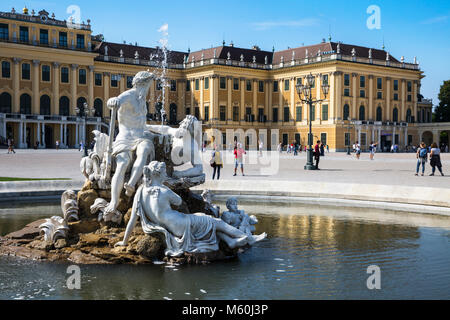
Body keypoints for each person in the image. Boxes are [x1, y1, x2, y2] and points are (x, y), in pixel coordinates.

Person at [115, 161, 266, 254]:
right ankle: (248, 238)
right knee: (215, 221)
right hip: (181, 224)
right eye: (163, 174)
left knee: (210, 224)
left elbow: (132, 220)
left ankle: (231, 241)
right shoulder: (164, 190)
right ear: (159, 175)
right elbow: (179, 201)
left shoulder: (140, 191)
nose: (165, 175)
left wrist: (124, 241)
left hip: (174, 227)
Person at [104, 71, 156, 214]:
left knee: (144, 150)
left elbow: (142, 124)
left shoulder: (142, 100)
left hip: (140, 137)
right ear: (142, 84)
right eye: (148, 85)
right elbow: (114, 101)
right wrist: (112, 101)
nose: (148, 89)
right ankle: (114, 202)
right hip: (125, 138)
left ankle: (131, 185)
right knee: (122, 163)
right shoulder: (128, 95)